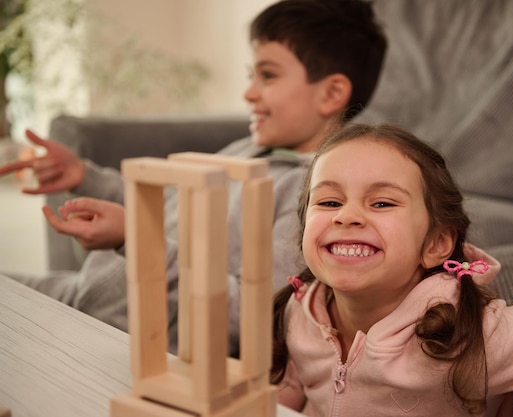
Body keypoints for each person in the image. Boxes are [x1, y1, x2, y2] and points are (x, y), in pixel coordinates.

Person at [0, 0, 387, 356]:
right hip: (79, 292)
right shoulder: (247, 149)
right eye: (251, 75)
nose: (248, 93)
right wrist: (83, 176)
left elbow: (257, 316)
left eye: (267, 76)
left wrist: (137, 242)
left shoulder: (311, 197)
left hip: (134, 340)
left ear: (331, 93)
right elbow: (163, 201)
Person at [271, 123, 513, 416]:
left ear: (436, 244)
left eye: (381, 203)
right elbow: (291, 389)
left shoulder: (464, 334)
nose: (345, 215)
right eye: (329, 201)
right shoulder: (300, 313)